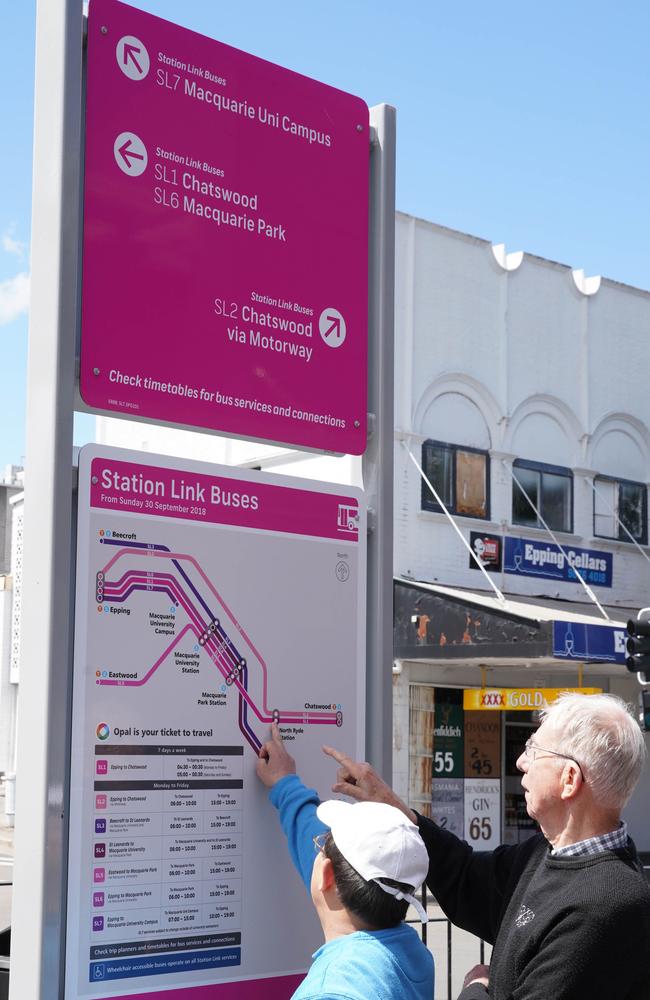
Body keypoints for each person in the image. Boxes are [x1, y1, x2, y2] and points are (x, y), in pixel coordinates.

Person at [324, 692, 650, 999]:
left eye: (535, 751)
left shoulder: (602, 906)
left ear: (569, 780)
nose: (522, 761)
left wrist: (476, 987)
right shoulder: (542, 853)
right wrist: (393, 806)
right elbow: (463, 875)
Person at [255, 723, 434, 1000]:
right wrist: (285, 786)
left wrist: (286, 785)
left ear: (326, 875)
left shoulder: (332, 992)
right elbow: (330, 857)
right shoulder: (410, 954)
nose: (316, 845)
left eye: (322, 846)